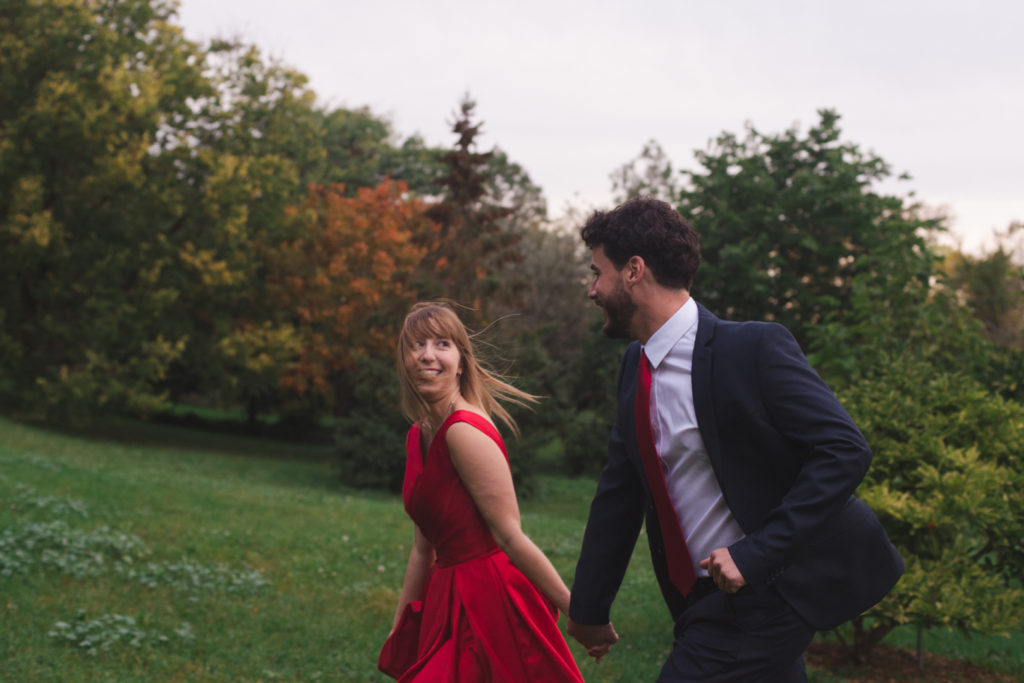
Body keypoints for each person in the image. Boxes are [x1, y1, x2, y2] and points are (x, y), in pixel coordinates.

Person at [566, 198, 904, 681]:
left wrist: (755, 553)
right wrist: (590, 606)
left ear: (634, 271)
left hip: (775, 588)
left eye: (597, 272)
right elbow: (619, 492)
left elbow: (845, 449)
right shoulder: (633, 369)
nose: (591, 288)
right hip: (702, 602)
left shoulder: (752, 349)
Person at [380, 302, 583, 682]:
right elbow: (424, 546)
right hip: (447, 598)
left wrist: (577, 611)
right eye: (416, 345)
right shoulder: (419, 434)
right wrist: (401, 628)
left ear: (461, 362)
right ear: (404, 361)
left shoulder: (464, 431)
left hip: (490, 601)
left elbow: (509, 534)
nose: (427, 354)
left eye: (442, 343)